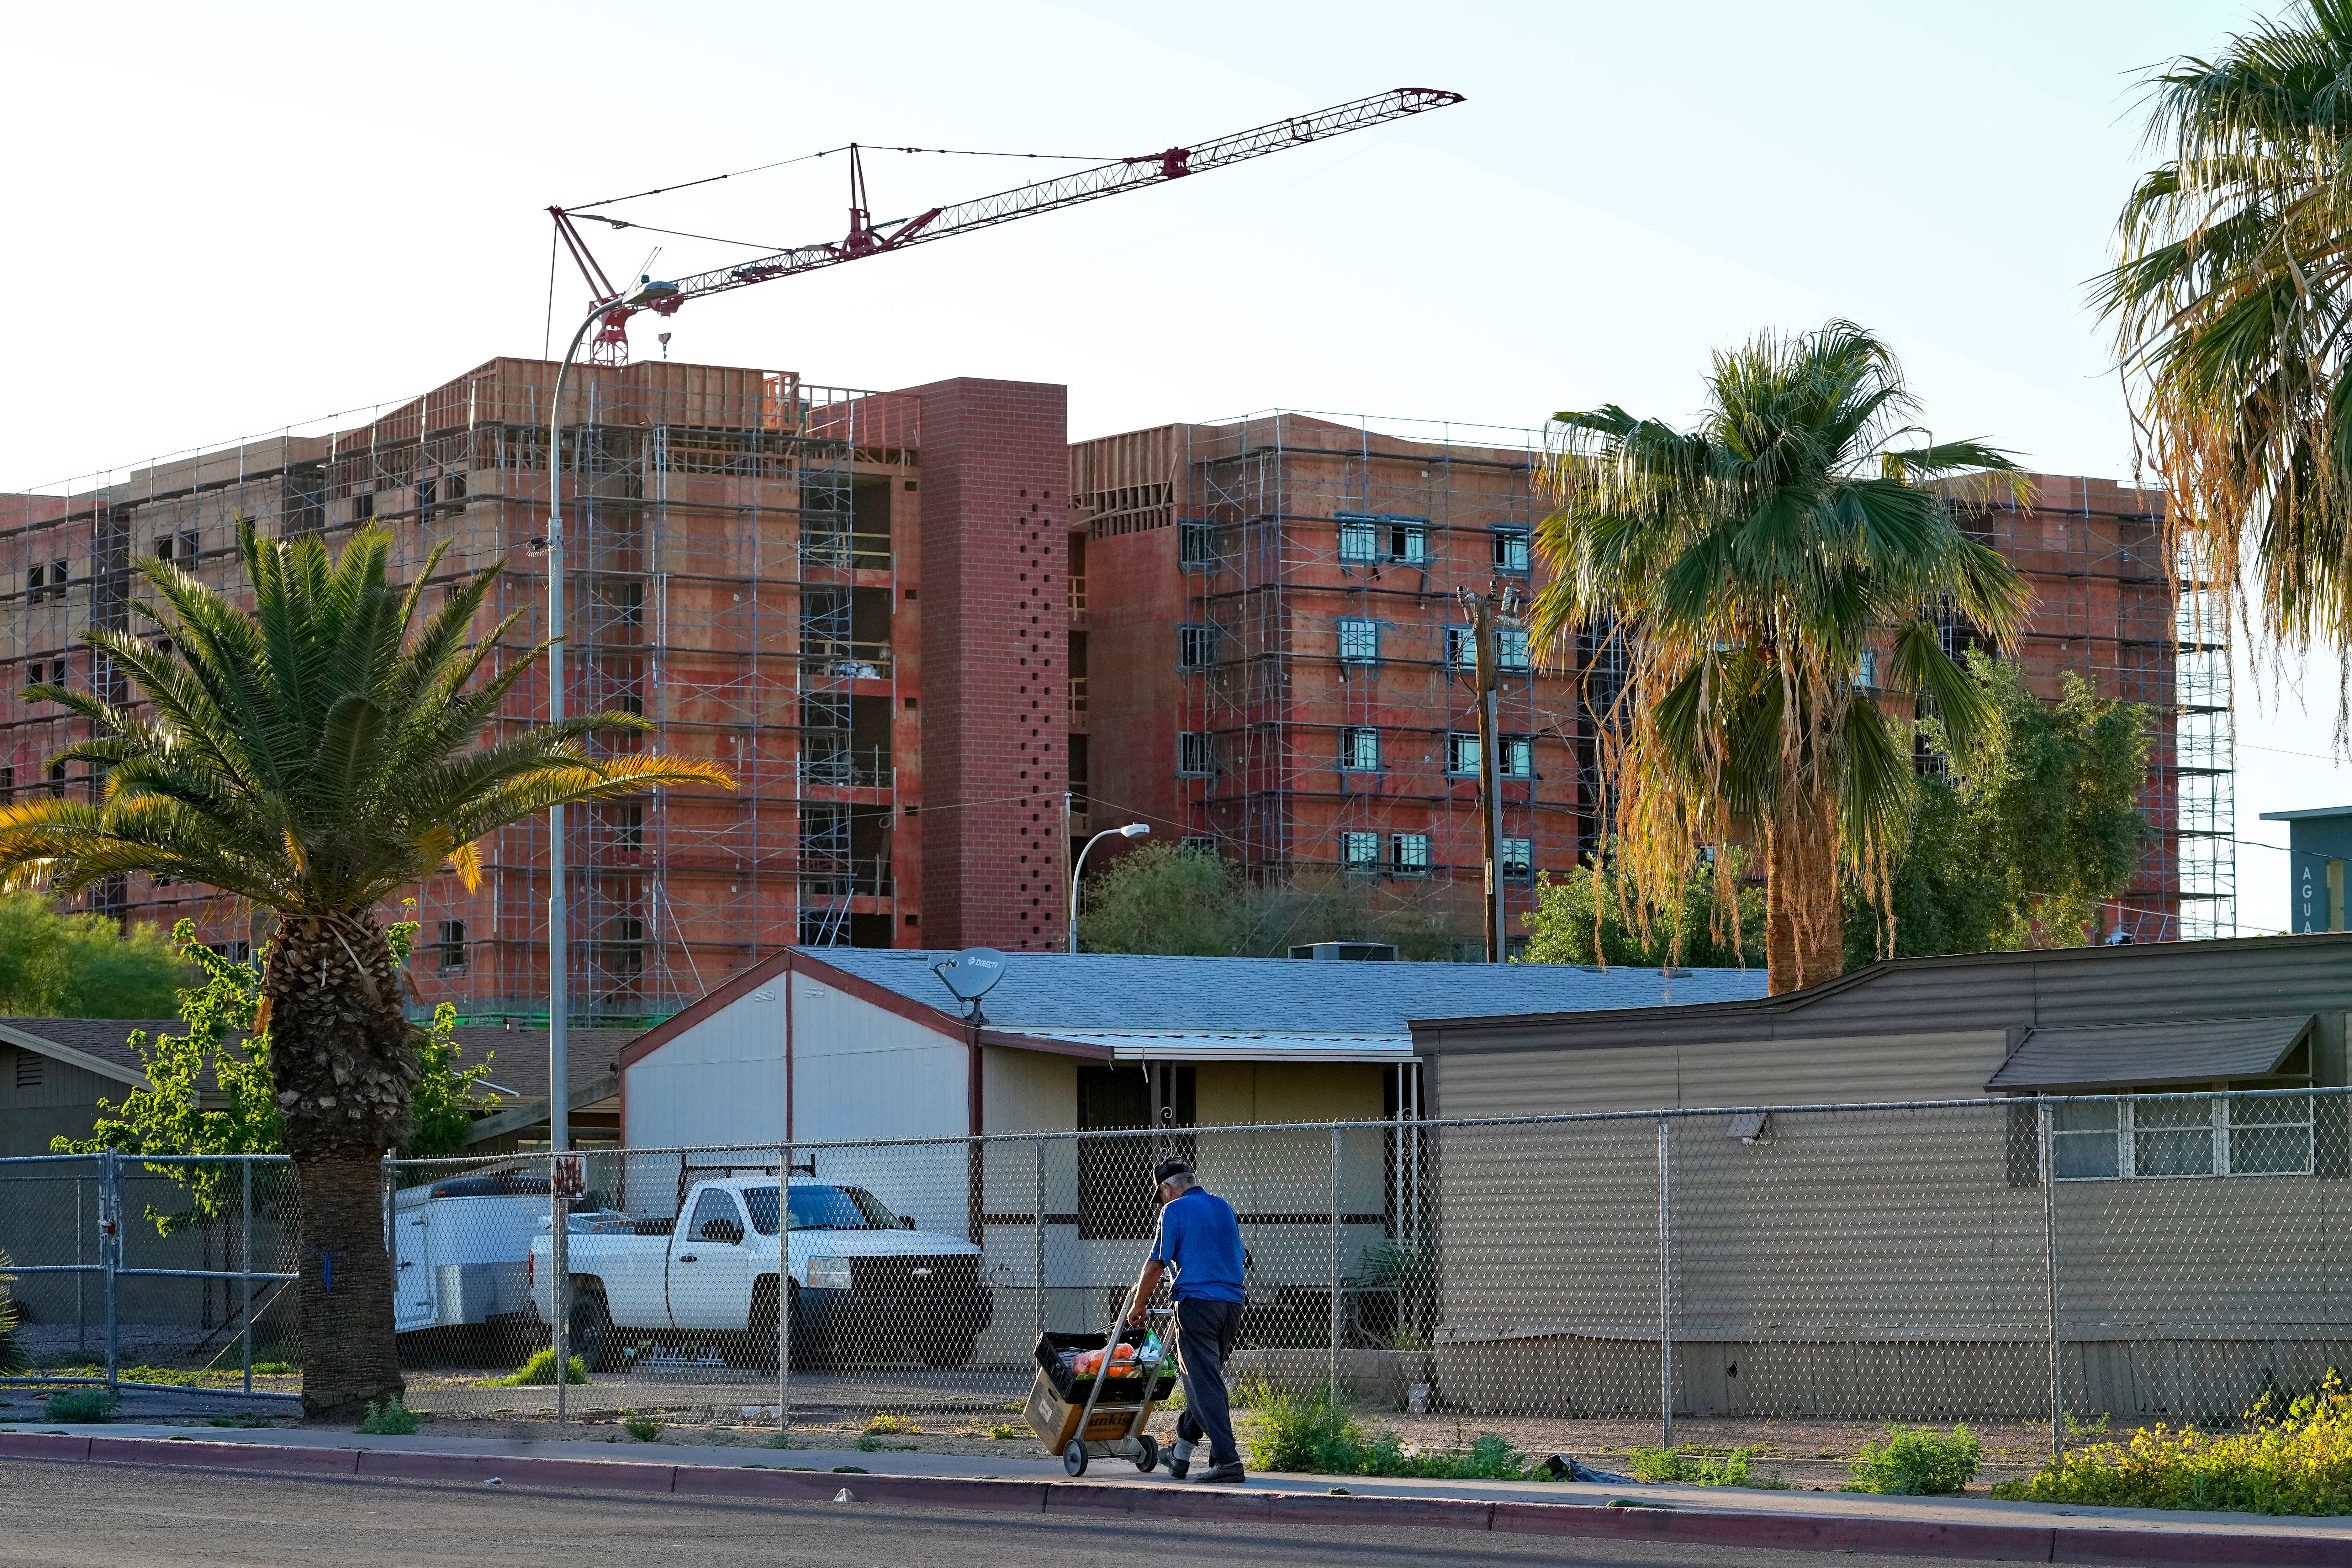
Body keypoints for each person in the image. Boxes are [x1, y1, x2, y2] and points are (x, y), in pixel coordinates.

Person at [1126, 1158, 1246, 1484]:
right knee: (1207, 1378)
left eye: (1162, 1195)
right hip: (1232, 1304)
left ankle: (1228, 1462)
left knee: (1201, 1382)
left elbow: (1156, 1265)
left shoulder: (1174, 1211)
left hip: (1197, 1304)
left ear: (1168, 1189)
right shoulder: (1223, 1207)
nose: (1163, 1201)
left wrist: (1137, 1305)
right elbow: (1240, 1256)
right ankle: (1179, 1453)